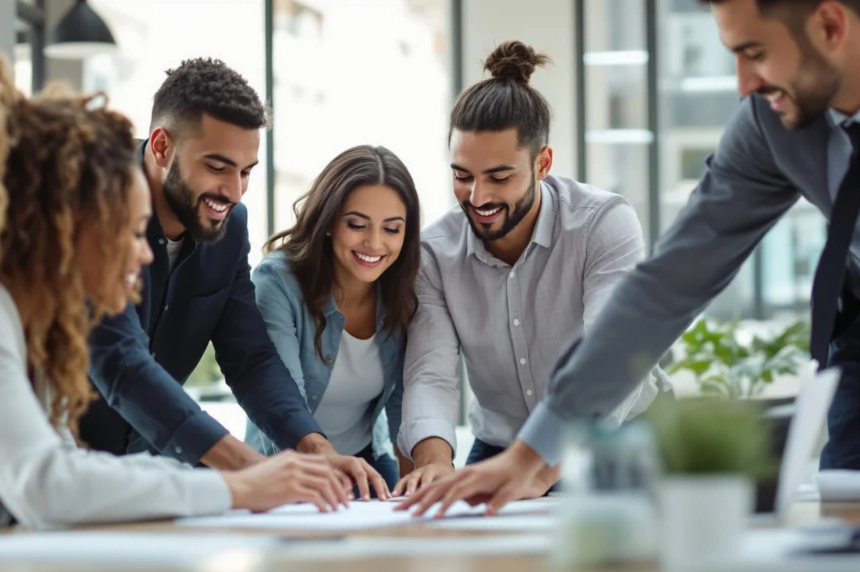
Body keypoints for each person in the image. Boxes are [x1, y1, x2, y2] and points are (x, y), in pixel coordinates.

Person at [0, 41, 348, 550]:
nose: (146, 253)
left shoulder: (31, 325)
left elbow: (65, 467)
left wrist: (268, 468)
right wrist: (236, 484)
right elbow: (46, 483)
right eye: (128, 233)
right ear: (64, 230)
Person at [399, 0, 860, 518]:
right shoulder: (771, 121)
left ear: (829, 26)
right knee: (848, 515)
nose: (743, 84)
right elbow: (666, 286)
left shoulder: (599, 220)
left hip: (630, 429)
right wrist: (536, 452)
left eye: (754, 53)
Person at [81, 57, 389, 497]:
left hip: (144, 476)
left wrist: (314, 447)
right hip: (55, 462)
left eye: (246, 172)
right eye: (217, 167)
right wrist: (250, 468)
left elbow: (251, 358)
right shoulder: (95, 201)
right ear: (162, 146)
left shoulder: (228, 227)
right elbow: (121, 362)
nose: (234, 191)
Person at [391, 40, 664, 499]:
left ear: (542, 163)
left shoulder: (603, 224)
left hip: (616, 435)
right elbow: (431, 374)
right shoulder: (435, 252)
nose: (477, 197)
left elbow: (612, 359)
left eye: (499, 177)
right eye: (462, 175)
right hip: (500, 446)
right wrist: (435, 461)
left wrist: (539, 474)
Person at [247, 145, 422, 495]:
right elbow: (283, 398)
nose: (374, 243)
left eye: (392, 229)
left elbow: (405, 401)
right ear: (328, 221)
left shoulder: (405, 288)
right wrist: (322, 461)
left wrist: (413, 490)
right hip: (285, 464)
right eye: (356, 225)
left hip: (366, 463)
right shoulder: (277, 282)